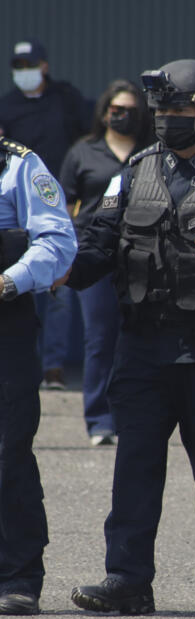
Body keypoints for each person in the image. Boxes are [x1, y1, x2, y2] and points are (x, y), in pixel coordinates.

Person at [64, 59, 195, 615]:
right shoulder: (135, 168)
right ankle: (127, 580)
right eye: (161, 109)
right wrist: (56, 266)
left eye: (178, 109)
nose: (166, 118)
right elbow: (98, 242)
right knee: (134, 469)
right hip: (142, 347)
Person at [0, 137, 76, 615]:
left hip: (4, 317)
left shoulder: (19, 166)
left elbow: (57, 242)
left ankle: (17, 575)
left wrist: (10, 279)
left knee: (7, 452)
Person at [59, 79, 153, 445]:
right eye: (116, 110)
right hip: (94, 254)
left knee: (138, 337)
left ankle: (133, 415)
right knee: (99, 338)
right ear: (104, 113)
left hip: (142, 255)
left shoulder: (151, 152)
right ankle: (99, 419)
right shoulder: (83, 152)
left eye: (130, 110)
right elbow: (66, 205)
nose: (123, 116)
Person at [0, 39, 88, 391]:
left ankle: (52, 366)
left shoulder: (65, 98)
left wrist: (74, 197)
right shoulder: (7, 105)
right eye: (18, 66)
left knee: (56, 288)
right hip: (12, 214)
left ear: (44, 66)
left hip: (55, 206)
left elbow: (85, 144)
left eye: (30, 65)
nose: (24, 71)